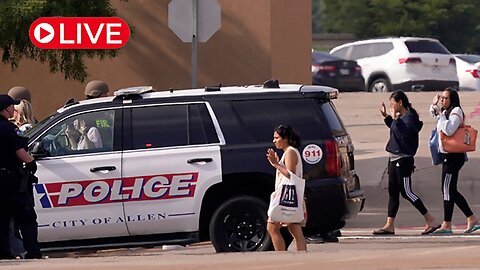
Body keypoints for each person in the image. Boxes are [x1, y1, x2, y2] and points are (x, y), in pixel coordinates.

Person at [373, 90, 439, 236]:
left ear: (400, 103)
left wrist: (395, 119)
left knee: (407, 192)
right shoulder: (401, 118)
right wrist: (387, 118)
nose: (391, 106)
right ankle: (389, 225)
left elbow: (404, 134)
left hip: (403, 161)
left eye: (392, 103)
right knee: (393, 192)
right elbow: (396, 130)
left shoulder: (409, 118)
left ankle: (430, 219)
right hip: (393, 159)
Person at [429, 88, 480, 234]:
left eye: (445, 98)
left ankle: (447, 224)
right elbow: (433, 114)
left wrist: (440, 114)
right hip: (447, 155)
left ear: (452, 100)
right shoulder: (445, 112)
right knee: (449, 189)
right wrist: (435, 106)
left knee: (447, 189)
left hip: (453, 157)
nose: (442, 100)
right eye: (442, 98)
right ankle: (471, 218)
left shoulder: (456, 112)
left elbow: (449, 130)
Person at [0, 94, 42, 259]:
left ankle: (4, 254)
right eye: (11, 106)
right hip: (10, 181)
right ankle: (33, 253)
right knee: (26, 218)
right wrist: (32, 162)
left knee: (2, 221)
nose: (13, 109)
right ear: (4, 109)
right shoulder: (8, 128)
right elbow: (20, 152)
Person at [266, 125, 307, 251]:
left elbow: (290, 174)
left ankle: (282, 257)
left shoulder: (290, 152)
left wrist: (276, 164)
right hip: (291, 196)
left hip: (288, 196)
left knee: (272, 227)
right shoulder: (288, 152)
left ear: (286, 139)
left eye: (277, 138)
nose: (274, 141)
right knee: (294, 228)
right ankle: (302, 255)